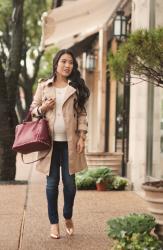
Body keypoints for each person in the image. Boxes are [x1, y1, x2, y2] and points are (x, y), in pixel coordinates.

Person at [30, 49, 90, 239]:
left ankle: (67, 216)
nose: (67, 65)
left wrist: (82, 137)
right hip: (50, 145)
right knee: (51, 185)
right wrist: (43, 108)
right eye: (63, 61)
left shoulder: (76, 87)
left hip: (70, 144)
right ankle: (54, 223)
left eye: (70, 62)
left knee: (70, 185)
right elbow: (33, 112)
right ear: (56, 63)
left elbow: (81, 114)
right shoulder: (43, 86)